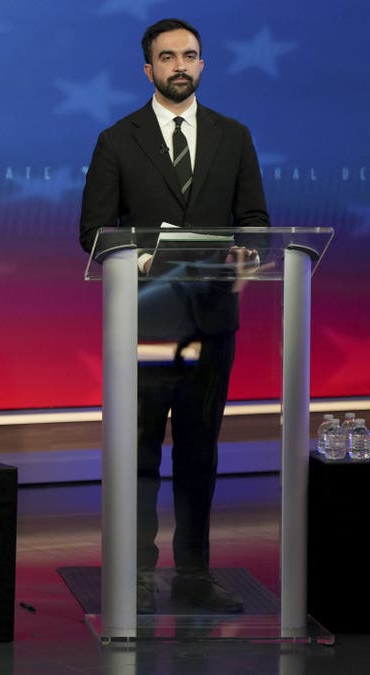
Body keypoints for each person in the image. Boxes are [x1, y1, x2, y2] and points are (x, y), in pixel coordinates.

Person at [79, 17, 269, 614]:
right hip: (145, 322)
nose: (180, 65)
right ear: (149, 69)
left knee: (199, 451)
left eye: (190, 55)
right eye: (168, 57)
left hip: (214, 321)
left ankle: (194, 571)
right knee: (138, 451)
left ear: (203, 65)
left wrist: (249, 251)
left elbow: (256, 219)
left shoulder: (233, 136)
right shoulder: (117, 140)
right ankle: (135, 572)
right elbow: (92, 233)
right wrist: (143, 262)